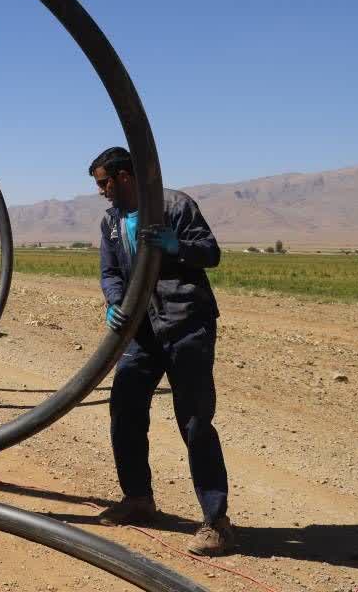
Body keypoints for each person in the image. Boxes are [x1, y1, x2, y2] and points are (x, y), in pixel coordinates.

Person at [89, 146, 234, 556]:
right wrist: (115, 302)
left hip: (186, 325)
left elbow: (212, 254)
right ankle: (138, 499)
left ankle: (216, 521)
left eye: (104, 183)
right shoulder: (112, 221)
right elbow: (110, 272)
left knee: (194, 421)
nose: (101, 191)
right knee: (126, 406)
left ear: (124, 177)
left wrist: (177, 247)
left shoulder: (176, 206)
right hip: (142, 329)